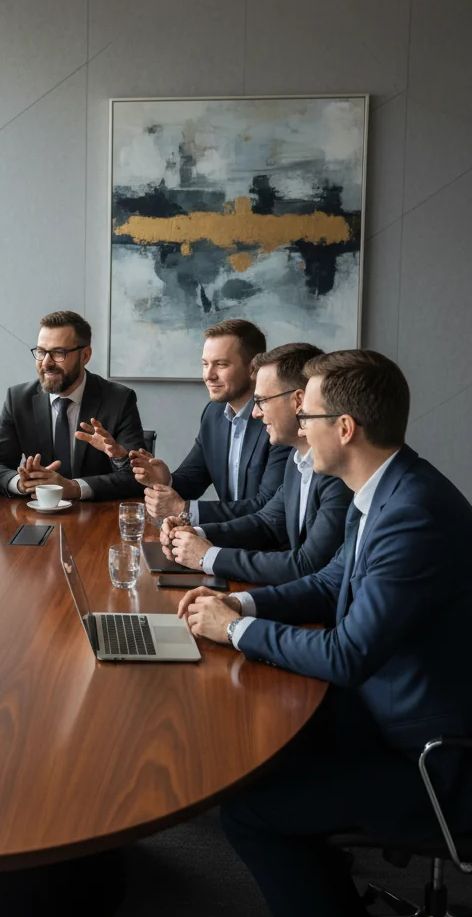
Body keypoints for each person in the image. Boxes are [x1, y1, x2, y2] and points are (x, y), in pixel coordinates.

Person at [176, 350, 472, 917]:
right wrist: (237, 599)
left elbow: (348, 653)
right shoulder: (385, 490)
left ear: (344, 428)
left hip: (428, 762)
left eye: (305, 415)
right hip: (379, 711)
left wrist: (236, 630)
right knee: (255, 746)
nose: (296, 424)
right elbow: (328, 582)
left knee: (249, 811)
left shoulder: (412, 513)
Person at [162, 342, 353, 585]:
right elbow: (267, 523)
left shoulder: (337, 471)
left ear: (298, 401)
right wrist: (194, 534)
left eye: (262, 401)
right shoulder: (298, 460)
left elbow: (309, 565)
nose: (255, 413)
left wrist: (207, 556)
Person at [130, 318, 290, 523]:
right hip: (228, 537)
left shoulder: (277, 420)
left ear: (253, 369)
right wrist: (166, 479)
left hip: (268, 546)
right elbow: (194, 480)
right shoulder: (214, 413)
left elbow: (267, 506)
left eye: (221, 364)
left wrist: (184, 509)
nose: (208, 375)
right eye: (205, 364)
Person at [0, 311, 146, 501]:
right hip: (37, 517)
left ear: (85, 355)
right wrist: (20, 482)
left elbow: (137, 477)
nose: (46, 363)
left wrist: (75, 488)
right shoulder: (18, 399)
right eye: (41, 352)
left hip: (97, 516)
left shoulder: (118, 399)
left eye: (59, 353)